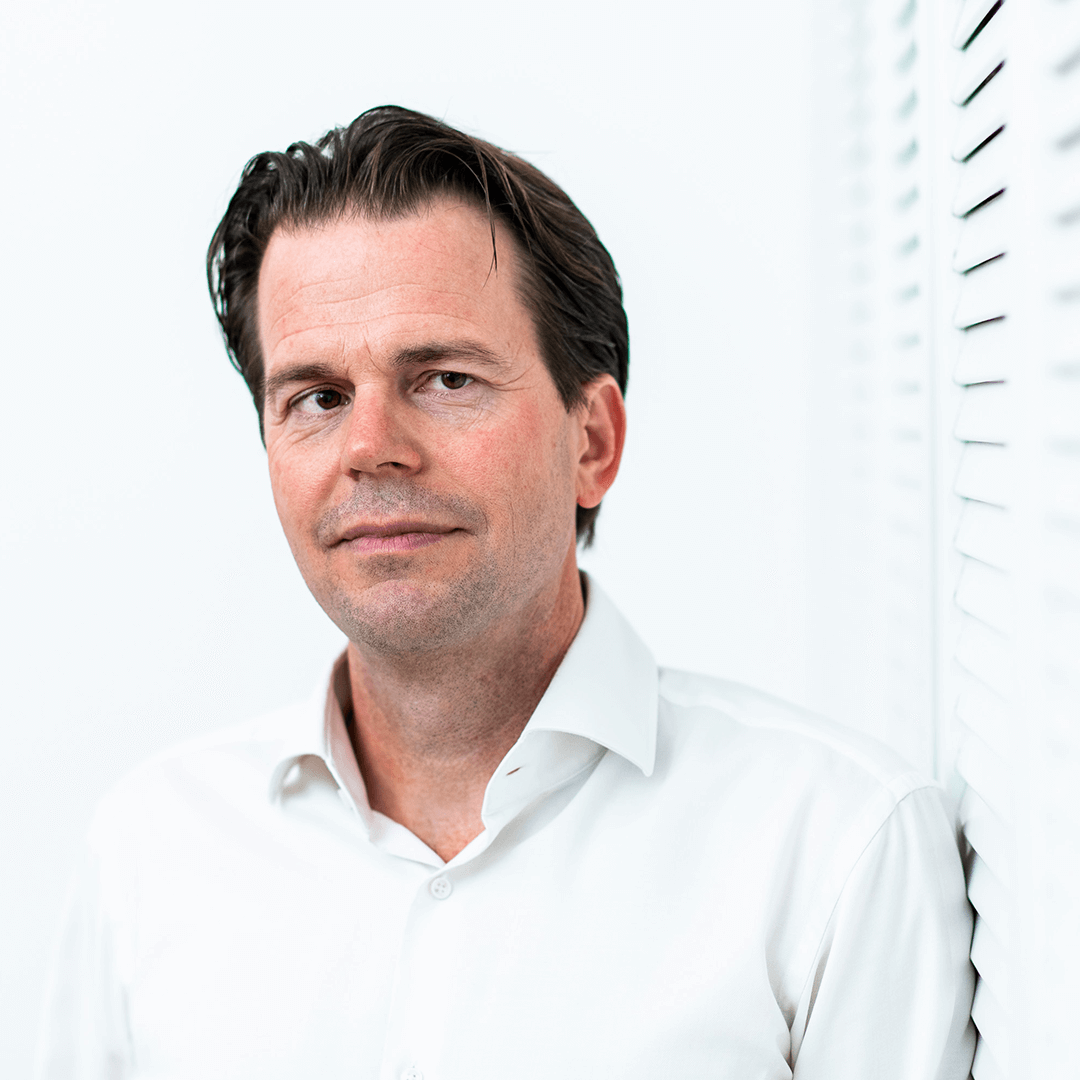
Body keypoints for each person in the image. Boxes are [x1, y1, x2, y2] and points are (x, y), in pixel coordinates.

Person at [37, 106, 975, 1079]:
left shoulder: (835, 849)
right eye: (317, 398)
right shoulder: (148, 853)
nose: (370, 449)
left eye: (445, 379)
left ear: (592, 442)